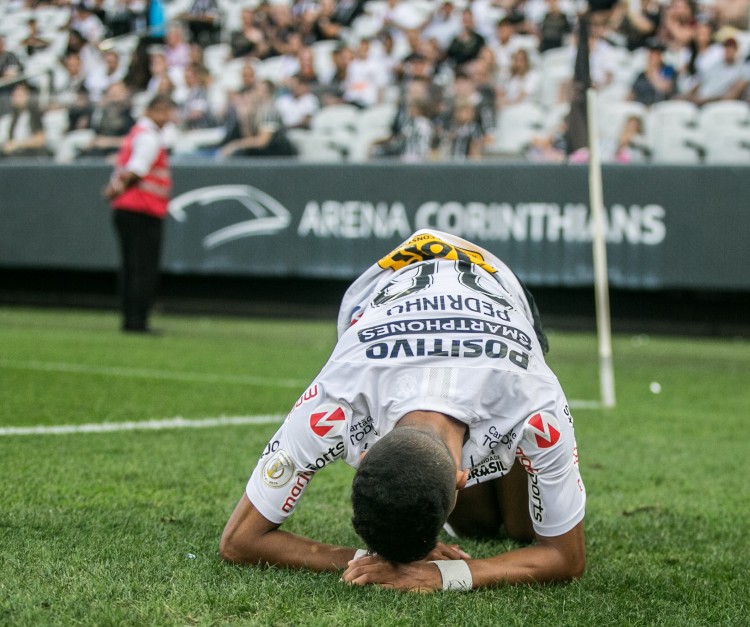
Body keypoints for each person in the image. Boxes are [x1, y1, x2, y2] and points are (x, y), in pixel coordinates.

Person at [220, 230, 586, 591]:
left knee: (524, 529)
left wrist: (443, 576)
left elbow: (566, 557)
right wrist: (365, 558)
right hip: (393, 297)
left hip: (495, 283)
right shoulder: (334, 398)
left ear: (462, 476)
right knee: (478, 525)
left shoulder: (535, 399)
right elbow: (238, 541)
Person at [102, 94, 175, 333]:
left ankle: (129, 318)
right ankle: (138, 320)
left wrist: (115, 189)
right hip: (143, 209)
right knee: (143, 268)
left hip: (126, 209)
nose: (169, 118)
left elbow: (123, 168)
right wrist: (118, 189)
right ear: (156, 110)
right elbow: (137, 169)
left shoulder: (134, 134)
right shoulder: (149, 137)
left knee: (130, 266)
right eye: (166, 112)